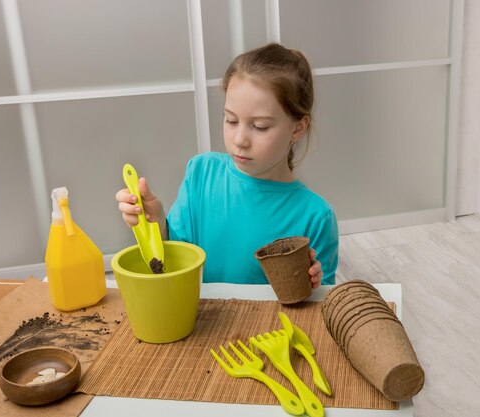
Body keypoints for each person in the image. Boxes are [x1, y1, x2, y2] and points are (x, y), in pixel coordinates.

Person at [116, 43, 338, 287]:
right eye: (231, 120)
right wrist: (156, 225)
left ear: (297, 128)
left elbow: (324, 302)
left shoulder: (316, 216)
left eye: (260, 126)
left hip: (270, 325)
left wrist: (313, 284)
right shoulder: (201, 174)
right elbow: (177, 258)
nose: (239, 140)